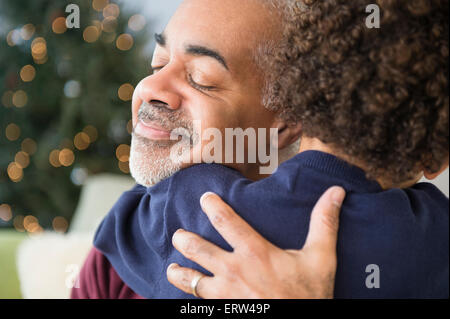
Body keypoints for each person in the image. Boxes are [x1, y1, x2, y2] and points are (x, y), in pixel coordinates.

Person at [73, 0, 449, 299]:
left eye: (201, 79)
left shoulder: (157, 220)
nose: (149, 87)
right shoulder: (432, 235)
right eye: (157, 61)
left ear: (291, 116)